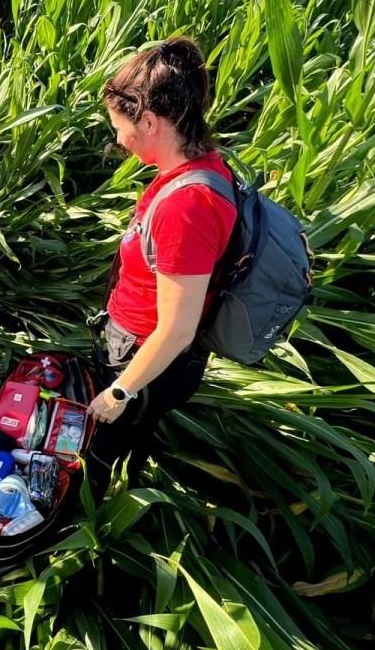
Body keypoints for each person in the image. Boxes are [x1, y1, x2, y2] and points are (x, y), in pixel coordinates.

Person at [85, 36, 237, 487]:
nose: (117, 138)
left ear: (149, 121)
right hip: (139, 350)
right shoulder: (198, 166)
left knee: (107, 443)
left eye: (118, 126)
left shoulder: (187, 206)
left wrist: (119, 391)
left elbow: (176, 329)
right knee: (128, 431)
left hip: (144, 358)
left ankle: (96, 500)